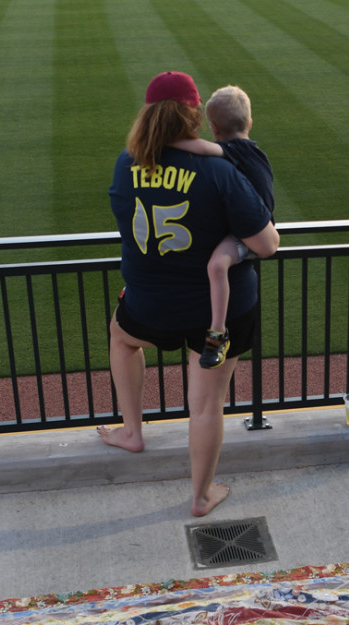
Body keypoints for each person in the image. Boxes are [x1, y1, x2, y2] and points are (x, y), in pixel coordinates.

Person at [100, 71, 279, 517]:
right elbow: (267, 244)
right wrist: (226, 248)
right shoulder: (220, 169)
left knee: (122, 338)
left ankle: (131, 432)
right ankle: (200, 497)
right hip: (220, 311)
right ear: (193, 114)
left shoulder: (127, 162)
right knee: (205, 406)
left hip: (151, 300)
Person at [170, 85, 275, 370]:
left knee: (217, 265)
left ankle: (217, 334)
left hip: (254, 233)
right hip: (245, 229)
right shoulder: (249, 150)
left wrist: (159, 142)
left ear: (214, 128)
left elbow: (199, 147)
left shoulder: (234, 151)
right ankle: (217, 333)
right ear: (250, 123)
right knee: (216, 264)